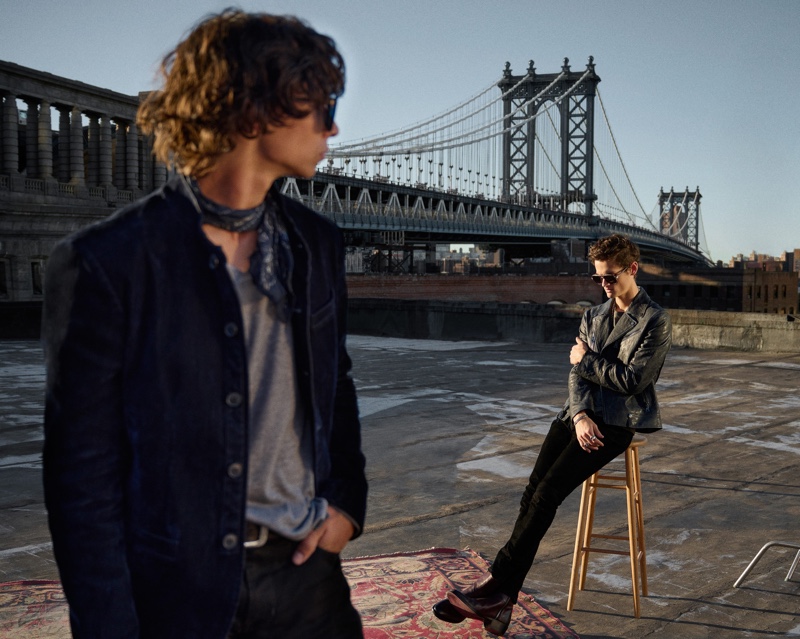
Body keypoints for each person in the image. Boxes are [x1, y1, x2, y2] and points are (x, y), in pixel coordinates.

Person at [41, 10, 367, 639]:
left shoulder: (318, 243)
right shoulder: (105, 264)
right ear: (253, 110)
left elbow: (337, 383)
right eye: (321, 106)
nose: (334, 127)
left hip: (309, 581)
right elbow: (82, 479)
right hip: (178, 591)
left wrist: (347, 506)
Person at [432, 234, 672, 636]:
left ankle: (493, 587)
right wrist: (578, 414)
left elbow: (631, 381)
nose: (604, 286)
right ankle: (500, 602)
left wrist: (586, 360)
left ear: (632, 269)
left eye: (610, 278)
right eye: (597, 280)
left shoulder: (655, 319)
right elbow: (576, 376)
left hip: (615, 422)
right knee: (532, 491)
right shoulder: (593, 316)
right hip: (579, 416)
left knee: (546, 496)